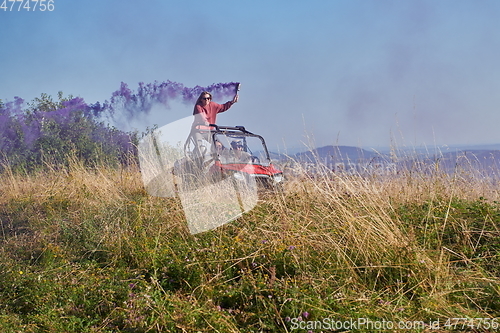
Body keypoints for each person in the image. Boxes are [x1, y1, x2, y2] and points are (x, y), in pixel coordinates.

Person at [190, 91, 238, 159]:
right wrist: (205, 122)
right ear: (201, 99)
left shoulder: (213, 105)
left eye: (208, 98)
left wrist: (232, 102)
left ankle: (225, 160)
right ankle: (197, 161)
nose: (207, 100)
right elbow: (201, 116)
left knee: (218, 145)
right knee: (200, 147)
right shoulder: (198, 106)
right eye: (204, 98)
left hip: (209, 130)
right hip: (198, 130)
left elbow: (223, 107)